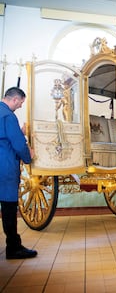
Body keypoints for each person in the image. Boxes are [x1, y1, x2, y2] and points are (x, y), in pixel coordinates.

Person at [0, 87, 37, 259]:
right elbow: (17, 144)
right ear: (15, 99)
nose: (21, 106)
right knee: (8, 208)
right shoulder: (9, 116)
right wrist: (28, 156)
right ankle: (13, 247)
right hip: (5, 167)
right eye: (21, 103)